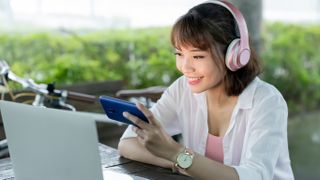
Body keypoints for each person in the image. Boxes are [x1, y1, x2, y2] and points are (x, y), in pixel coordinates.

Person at [118, 0, 294, 179]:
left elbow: (256, 176)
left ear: (234, 55)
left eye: (198, 56)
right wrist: (178, 163)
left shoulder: (267, 101)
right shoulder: (182, 88)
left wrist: (177, 153)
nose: (185, 67)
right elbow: (128, 143)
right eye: (179, 54)